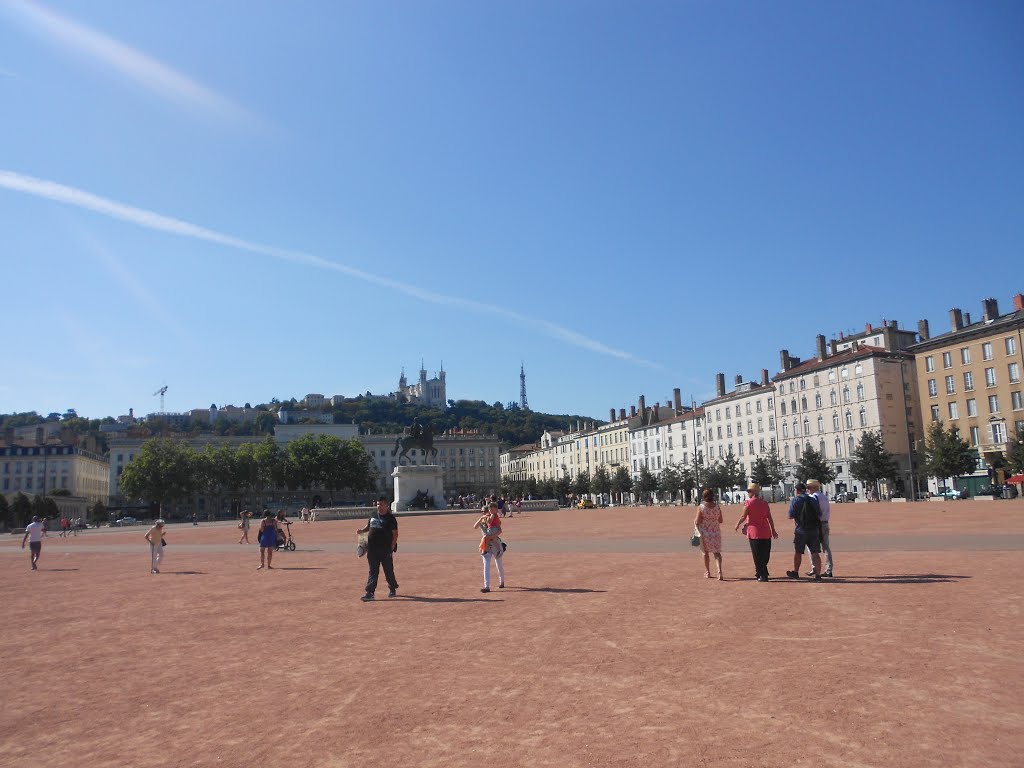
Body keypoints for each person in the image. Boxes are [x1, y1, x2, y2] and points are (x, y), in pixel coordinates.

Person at [734, 483, 779, 581]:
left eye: (749, 491)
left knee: (757, 555)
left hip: (754, 533)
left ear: (754, 491)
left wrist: (737, 524)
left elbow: (743, 516)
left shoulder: (748, 503)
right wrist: (773, 530)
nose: (748, 492)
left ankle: (762, 575)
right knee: (765, 554)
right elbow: (769, 518)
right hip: (766, 531)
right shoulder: (764, 503)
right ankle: (761, 572)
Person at [357, 497, 399, 600]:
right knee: (373, 571)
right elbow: (368, 527)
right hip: (372, 549)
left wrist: (392, 546)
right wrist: (361, 531)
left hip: (385, 549)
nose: (378, 506)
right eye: (377, 504)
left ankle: (392, 588)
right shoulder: (373, 515)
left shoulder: (391, 518)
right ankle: (370, 593)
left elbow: (395, 533)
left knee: (388, 571)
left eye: (380, 504)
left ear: (386, 506)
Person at [786, 482, 823, 581]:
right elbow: (819, 513)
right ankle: (818, 575)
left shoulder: (795, 500)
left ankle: (796, 572)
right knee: (815, 553)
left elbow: (790, 515)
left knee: (798, 552)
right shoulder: (812, 499)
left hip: (800, 530)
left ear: (796, 490)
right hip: (814, 529)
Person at [474, 502, 507, 592]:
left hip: (494, 543)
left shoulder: (492, 519)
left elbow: (500, 530)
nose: (484, 513)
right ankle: (487, 586)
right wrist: (481, 518)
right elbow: (475, 526)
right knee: (486, 565)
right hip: (486, 545)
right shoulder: (483, 520)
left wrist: (492, 537)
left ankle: (502, 581)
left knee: (498, 564)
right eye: (483, 511)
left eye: (485, 511)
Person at [694, 489, 724, 580]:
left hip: (705, 533)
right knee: (717, 553)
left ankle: (707, 572)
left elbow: (697, 521)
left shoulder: (701, 507)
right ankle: (719, 572)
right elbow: (721, 520)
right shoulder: (717, 507)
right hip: (715, 532)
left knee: (705, 553)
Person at [806, 480, 833, 577]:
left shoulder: (813, 497)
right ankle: (829, 570)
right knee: (826, 547)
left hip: (816, 524)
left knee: (811, 547)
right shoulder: (824, 497)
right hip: (825, 523)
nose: (807, 489)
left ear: (813, 487)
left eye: (809, 487)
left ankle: (815, 568)